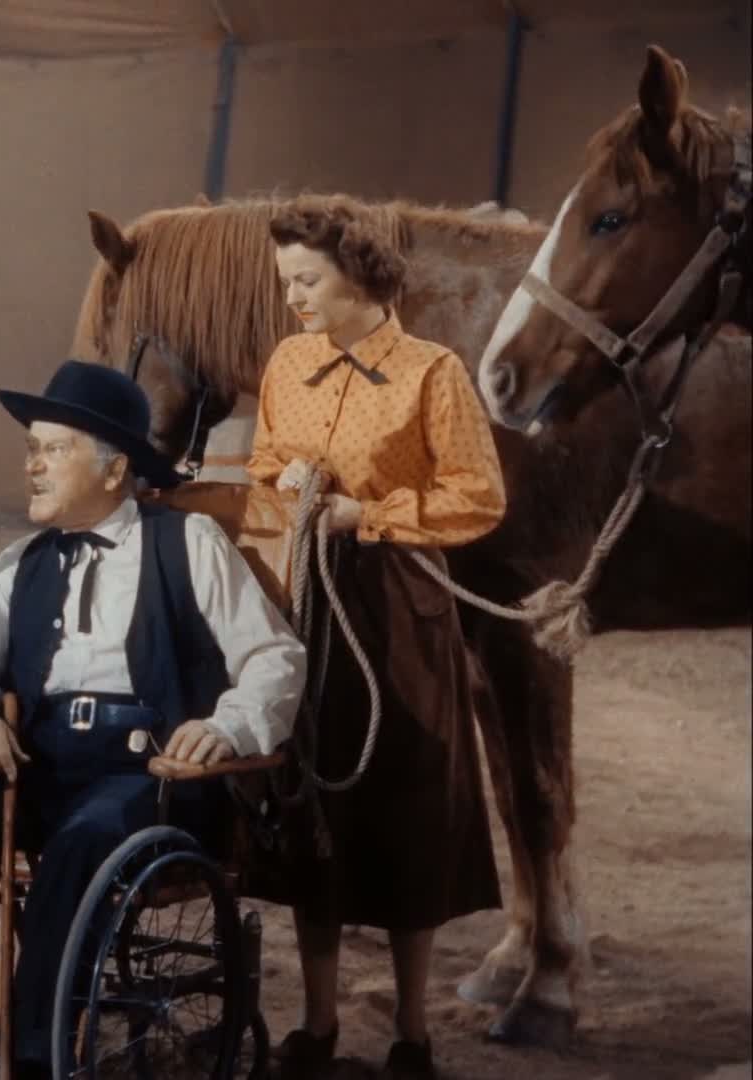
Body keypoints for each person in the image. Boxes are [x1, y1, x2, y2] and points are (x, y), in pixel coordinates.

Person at [0, 359, 308, 1079]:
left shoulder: (187, 544)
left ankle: (26, 1057)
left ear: (113, 469)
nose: (32, 465)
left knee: (85, 840)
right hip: (35, 766)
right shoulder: (18, 565)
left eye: (53, 449)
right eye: (31, 449)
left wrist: (227, 727)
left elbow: (274, 657)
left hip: (152, 774)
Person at [245, 195, 507, 1080]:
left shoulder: (433, 373)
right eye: (286, 281)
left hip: (402, 614)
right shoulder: (288, 363)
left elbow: (479, 495)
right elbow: (260, 468)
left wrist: (374, 514)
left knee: (407, 815)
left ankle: (411, 1030)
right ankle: (318, 1022)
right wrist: (288, 484)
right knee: (313, 807)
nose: (293, 299)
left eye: (306, 281)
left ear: (360, 276)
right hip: (308, 602)